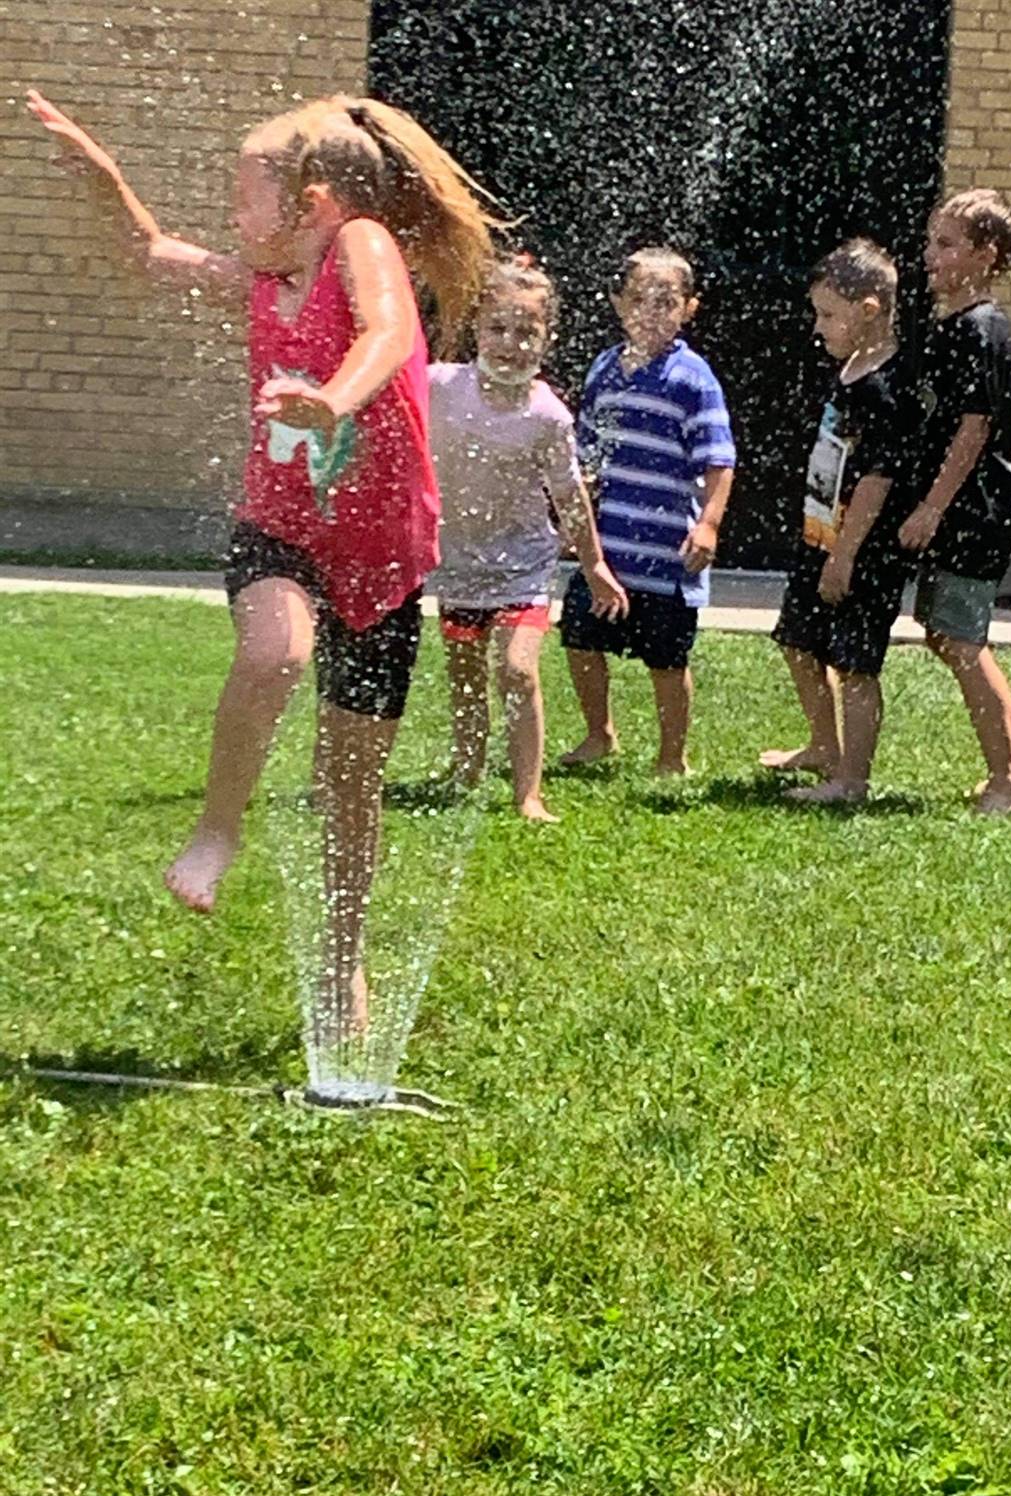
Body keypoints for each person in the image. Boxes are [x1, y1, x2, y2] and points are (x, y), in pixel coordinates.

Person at [27, 88, 498, 1046]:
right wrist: (102, 176)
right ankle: (217, 829)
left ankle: (345, 952)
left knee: (352, 782)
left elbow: (390, 335)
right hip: (281, 523)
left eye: (245, 198)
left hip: (384, 552)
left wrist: (332, 400)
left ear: (316, 204)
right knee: (276, 651)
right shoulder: (259, 278)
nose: (232, 219)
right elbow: (148, 253)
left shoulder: (359, 243)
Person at [429, 256, 627, 822]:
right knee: (465, 669)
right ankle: (466, 766)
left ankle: (528, 793)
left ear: (547, 338)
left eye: (526, 333)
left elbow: (569, 496)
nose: (510, 344)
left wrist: (594, 565)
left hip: (523, 562)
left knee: (517, 669)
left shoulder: (548, 416)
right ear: (477, 328)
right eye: (498, 329)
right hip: (458, 559)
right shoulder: (442, 387)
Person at [899, 188, 1011, 814]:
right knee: (946, 632)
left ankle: (1007, 781)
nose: (931, 256)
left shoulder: (981, 328)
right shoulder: (953, 324)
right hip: (965, 502)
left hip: (976, 504)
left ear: (987, 256)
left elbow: (975, 426)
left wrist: (932, 506)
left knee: (960, 638)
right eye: (931, 242)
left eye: (947, 245)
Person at [559, 247, 735, 776]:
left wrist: (707, 524)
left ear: (689, 308)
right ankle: (599, 733)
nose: (651, 312)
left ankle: (671, 756)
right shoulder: (604, 369)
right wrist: (577, 522)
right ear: (617, 302)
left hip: (666, 554)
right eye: (638, 300)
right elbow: (586, 454)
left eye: (666, 302)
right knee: (580, 640)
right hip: (609, 549)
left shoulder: (693, 379)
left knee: (666, 660)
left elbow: (720, 461)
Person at [760, 239, 914, 805]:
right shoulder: (851, 368)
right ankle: (824, 746)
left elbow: (877, 478)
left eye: (828, 314)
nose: (818, 326)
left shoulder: (885, 386)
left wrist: (844, 555)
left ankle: (852, 779)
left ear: (868, 310)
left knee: (854, 662)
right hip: (820, 533)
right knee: (797, 640)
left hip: (861, 548)